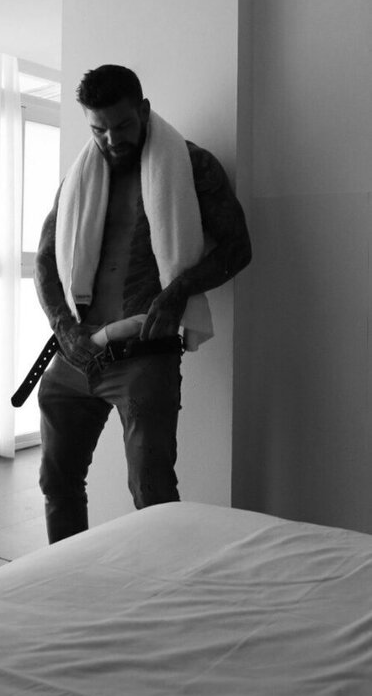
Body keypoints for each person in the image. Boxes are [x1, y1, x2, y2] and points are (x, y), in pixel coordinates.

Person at [34, 64, 251, 543]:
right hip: (75, 353)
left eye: (122, 125)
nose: (111, 139)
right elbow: (45, 261)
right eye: (99, 129)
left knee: (152, 494)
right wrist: (63, 327)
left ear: (144, 110)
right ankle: (69, 580)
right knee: (57, 483)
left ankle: (162, 584)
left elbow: (239, 248)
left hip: (144, 352)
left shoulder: (190, 165)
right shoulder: (78, 179)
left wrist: (177, 292)